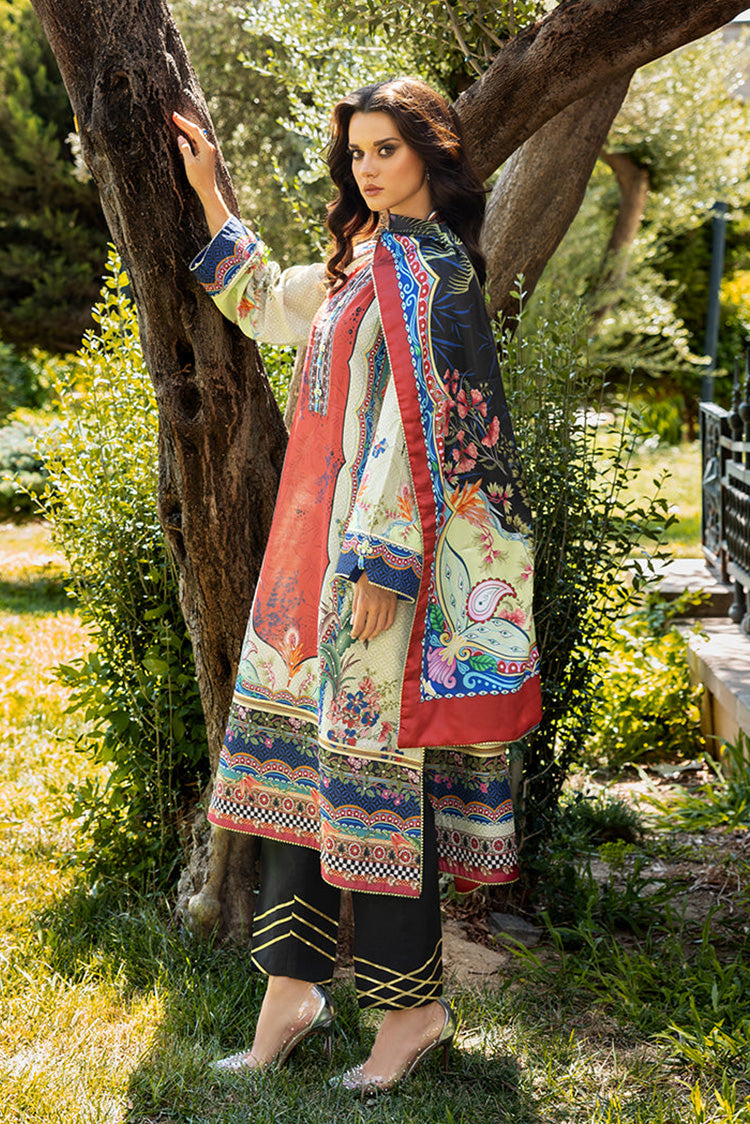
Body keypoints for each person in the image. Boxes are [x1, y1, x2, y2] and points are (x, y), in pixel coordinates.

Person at [173, 76, 541, 1096]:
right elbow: (264, 303)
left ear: (432, 153)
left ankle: (411, 1010)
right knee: (302, 775)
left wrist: (384, 561)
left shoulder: (437, 274)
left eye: (387, 149)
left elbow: (425, 431)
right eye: (358, 153)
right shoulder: (360, 263)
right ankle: (289, 995)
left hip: (383, 572)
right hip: (311, 568)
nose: (368, 168)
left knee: (378, 785)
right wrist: (210, 195)